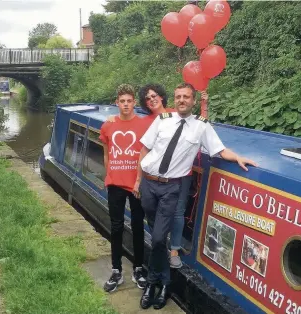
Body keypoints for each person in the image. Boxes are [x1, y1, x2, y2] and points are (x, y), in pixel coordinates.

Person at [138, 83, 258, 310]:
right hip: (148, 185)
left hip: (171, 189)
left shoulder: (201, 127)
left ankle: (157, 283)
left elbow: (220, 150)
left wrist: (238, 157)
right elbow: (144, 149)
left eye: (186, 97)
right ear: (174, 99)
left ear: (193, 101)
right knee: (158, 239)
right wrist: (138, 180)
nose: (182, 100)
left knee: (156, 239)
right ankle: (159, 281)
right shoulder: (162, 120)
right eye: (178, 96)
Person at [109, 83, 209, 269]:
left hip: (180, 174)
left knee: (178, 212)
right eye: (147, 98)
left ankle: (174, 250)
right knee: (154, 214)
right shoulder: (146, 121)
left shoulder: (175, 112)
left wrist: (204, 106)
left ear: (162, 96)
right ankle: (159, 247)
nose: (152, 99)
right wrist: (113, 119)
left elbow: (199, 126)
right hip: (155, 177)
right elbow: (136, 139)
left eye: (155, 95)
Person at [99, 84, 147, 293]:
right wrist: (109, 173)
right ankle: (116, 270)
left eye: (129, 101)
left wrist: (140, 180)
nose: (126, 104)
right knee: (116, 227)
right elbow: (106, 153)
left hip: (136, 184)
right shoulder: (108, 126)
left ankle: (138, 268)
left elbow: (146, 155)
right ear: (116, 103)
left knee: (138, 227)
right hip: (116, 184)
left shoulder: (144, 125)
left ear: (134, 102)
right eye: (122, 101)